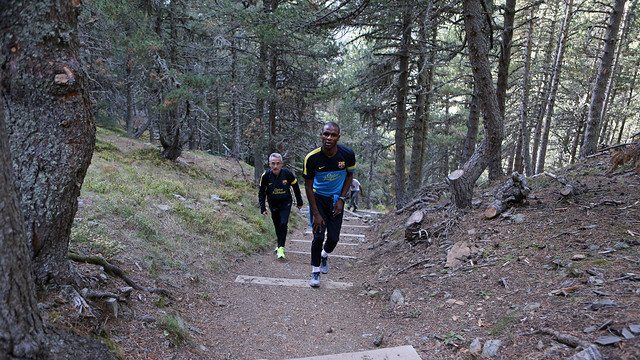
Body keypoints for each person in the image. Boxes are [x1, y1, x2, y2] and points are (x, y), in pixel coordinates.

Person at [303, 122, 356, 287]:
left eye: (333, 135)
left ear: (338, 137)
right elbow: (308, 186)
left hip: (336, 200)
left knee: (333, 238)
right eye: (326, 134)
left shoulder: (347, 154)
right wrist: (315, 213)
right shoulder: (312, 158)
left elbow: (349, 176)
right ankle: (315, 271)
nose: (329, 138)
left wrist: (341, 199)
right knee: (318, 236)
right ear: (321, 135)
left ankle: (325, 255)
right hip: (318, 199)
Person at [258, 153, 303, 259]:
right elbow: (261, 193)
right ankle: (279, 243)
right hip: (273, 204)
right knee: (277, 225)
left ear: (281, 164)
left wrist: (299, 201)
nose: (275, 166)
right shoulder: (266, 176)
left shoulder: (287, 174)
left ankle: (281, 248)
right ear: (269, 164)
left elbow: (296, 188)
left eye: (278, 163)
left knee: (283, 223)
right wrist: (263, 207)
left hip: (286, 203)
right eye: (273, 163)